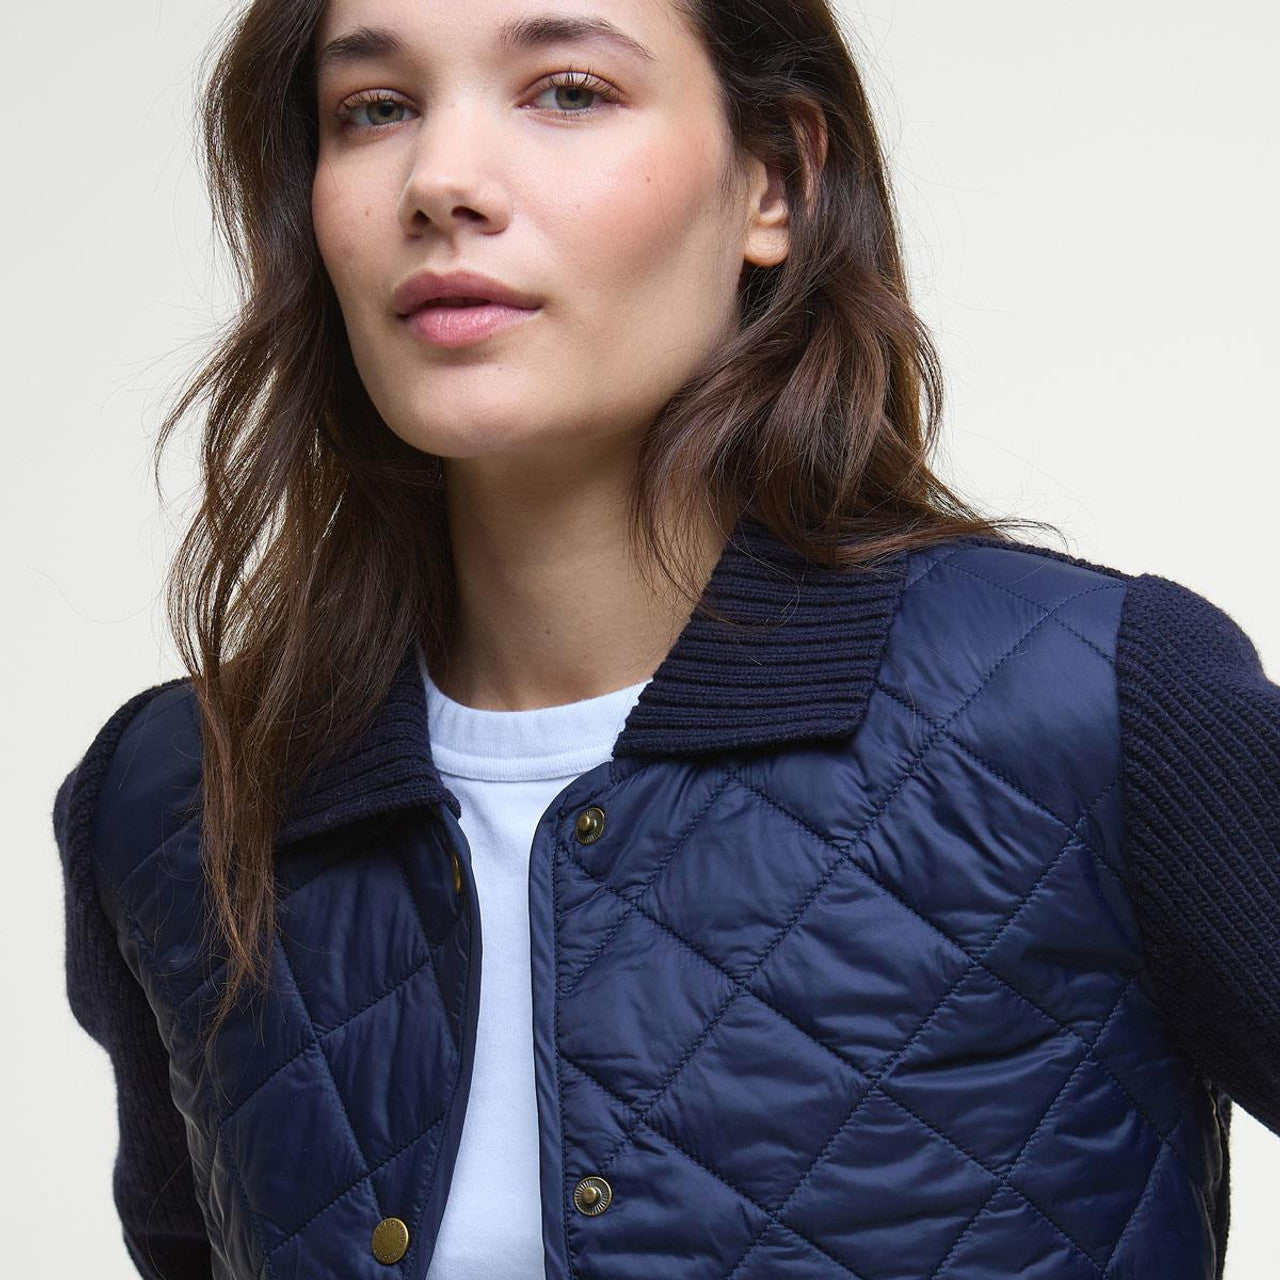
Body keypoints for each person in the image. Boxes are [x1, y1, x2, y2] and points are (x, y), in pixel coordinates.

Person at [52, 1, 1279, 1277]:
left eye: (567, 90)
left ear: (775, 179)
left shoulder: (1093, 706)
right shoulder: (177, 797)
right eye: (375, 109)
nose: (441, 180)